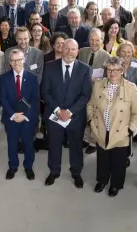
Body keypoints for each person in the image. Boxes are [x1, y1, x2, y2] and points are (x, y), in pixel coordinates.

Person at [87, 56, 137, 197]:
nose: (112, 74)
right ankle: (102, 180)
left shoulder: (131, 88)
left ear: (122, 71)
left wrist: (130, 130)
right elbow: (91, 105)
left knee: (119, 161)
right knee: (102, 158)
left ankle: (115, 184)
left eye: (116, 70)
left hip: (121, 132)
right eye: (109, 70)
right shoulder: (98, 84)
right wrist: (91, 122)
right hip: (100, 128)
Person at [42, 39, 92, 188]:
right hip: (54, 114)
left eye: (73, 49)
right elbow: (45, 91)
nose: (70, 52)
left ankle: (76, 172)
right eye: (67, 48)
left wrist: (69, 112)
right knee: (54, 144)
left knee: (76, 145)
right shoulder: (49, 67)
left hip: (75, 116)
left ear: (77, 52)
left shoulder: (85, 69)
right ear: (61, 49)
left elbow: (85, 95)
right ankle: (54, 171)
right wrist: (59, 111)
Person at [0, 49, 40, 180]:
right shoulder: (4, 78)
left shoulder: (33, 78)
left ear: (24, 60)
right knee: (12, 144)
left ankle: (28, 167)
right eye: (14, 60)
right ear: (10, 63)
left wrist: (25, 116)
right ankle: (13, 166)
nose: (17, 63)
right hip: (11, 118)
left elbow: (35, 99)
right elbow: (3, 99)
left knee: (28, 144)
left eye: (19, 59)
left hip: (27, 118)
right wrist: (13, 115)